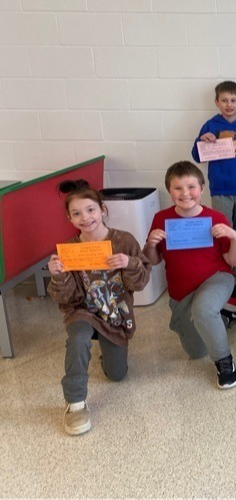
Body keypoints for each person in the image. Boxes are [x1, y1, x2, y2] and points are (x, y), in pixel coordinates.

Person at [47, 179, 152, 436]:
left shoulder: (124, 240)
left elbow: (140, 283)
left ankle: (106, 349)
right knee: (79, 337)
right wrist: (58, 275)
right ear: (69, 218)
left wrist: (130, 263)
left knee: (117, 375)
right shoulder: (69, 250)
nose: (85, 218)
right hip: (82, 310)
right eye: (76, 213)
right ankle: (75, 403)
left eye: (91, 210)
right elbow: (65, 299)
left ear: (102, 210)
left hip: (115, 313)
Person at [144, 161, 236, 390]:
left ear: (201, 188)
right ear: (169, 191)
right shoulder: (161, 219)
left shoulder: (216, 218)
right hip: (182, 291)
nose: (185, 193)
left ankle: (225, 362)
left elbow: (234, 261)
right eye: (178, 188)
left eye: (191, 187)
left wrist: (235, 237)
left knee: (203, 310)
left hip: (216, 278)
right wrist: (150, 244)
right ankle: (223, 317)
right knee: (196, 351)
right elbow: (154, 260)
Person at [191, 80, 236, 317]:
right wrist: (202, 140)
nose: (229, 105)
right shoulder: (210, 125)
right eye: (224, 100)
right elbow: (197, 156)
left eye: (233, 100)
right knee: (222, 236)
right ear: (216, 102)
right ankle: (223, 279)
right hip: (220, 190)